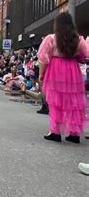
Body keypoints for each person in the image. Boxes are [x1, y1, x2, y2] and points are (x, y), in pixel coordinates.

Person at [37, 12, 89, 143]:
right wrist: (79, 58)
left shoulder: (51, 38)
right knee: (73, 102)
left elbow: (43, 58)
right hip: (72, 71)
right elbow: (87, 54)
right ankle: (74, 134)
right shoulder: (78, 39)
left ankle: (55, 132)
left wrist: (41, 74)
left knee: (55, 102)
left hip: (55, 70)